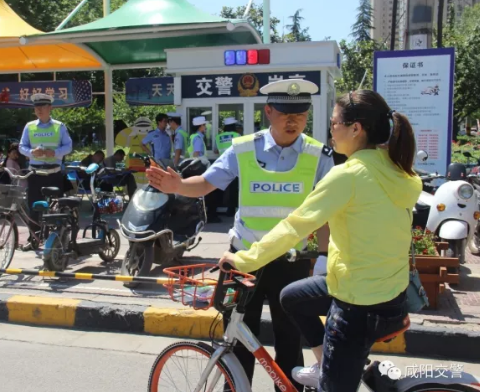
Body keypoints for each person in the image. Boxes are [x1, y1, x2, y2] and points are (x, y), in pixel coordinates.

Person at [218, 90, 421, 392]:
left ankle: (331, 373)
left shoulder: (348, 175)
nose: (330, 130)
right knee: (291, 297)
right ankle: (324, 361)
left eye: (335, 122)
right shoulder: (397, 170)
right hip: (388, 292)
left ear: (356, 129)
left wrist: (244, 259)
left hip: (356, 304)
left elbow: (294, 226)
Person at [146, 79, 334, 392]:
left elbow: (327, 211)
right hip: (241, 259)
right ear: (269, 111)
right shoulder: (244, 148)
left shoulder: (319, 155)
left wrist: (324, 258)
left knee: (289, 341)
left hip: (290, 262)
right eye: (286, 113)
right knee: (236, 339)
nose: (293, 121)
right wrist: (177, 186)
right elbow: (207, 183)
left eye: (300, 114)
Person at [19, 93, 73, 247]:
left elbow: (68, 146)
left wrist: (55, 153)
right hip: (35, 173)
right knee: (34, 208)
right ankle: (34, 240)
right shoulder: (29, 126)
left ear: (50, 108)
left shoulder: (59, 126)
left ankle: (59, 240)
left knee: (57, 208)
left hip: (53, 173)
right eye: (36, 107)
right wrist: (31, 153)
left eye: (42, 106)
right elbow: (22, 146)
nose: (39, 110)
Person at [217, 117, 242, 217]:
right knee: (233, 189)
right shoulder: (237, 135)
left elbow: (216, 150)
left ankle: (218, 207)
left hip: (222, 164)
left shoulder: (218, 137)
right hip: (234, 165)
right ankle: (231, 209)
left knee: (221, 187)